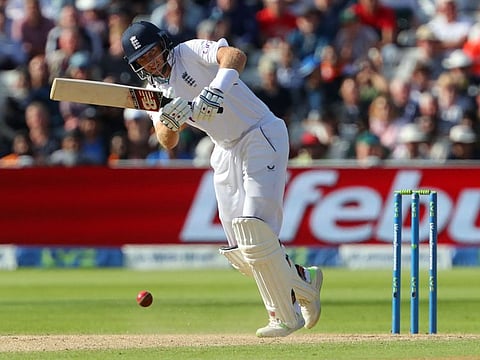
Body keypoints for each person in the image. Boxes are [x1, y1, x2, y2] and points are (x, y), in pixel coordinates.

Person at [121, 20, 323, 338]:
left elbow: (236, 56)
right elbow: (166, 141)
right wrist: (170, 121)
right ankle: (303, 280)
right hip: (225, 150)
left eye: (152, 53)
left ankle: (285, 316)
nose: (151, 62)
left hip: (260, 134)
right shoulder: (152, 90)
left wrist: (214, 91)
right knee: (240, 252)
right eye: (142, 60)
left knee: (253, 225)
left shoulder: (188, 52)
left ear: (163, 45)